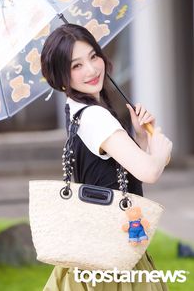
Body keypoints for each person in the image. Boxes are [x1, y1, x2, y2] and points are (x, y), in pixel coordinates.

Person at [40, 23, 172, 290]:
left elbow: (123, 171)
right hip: (110, 252)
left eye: (92, 56)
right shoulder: (95, 116)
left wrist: (141, 139)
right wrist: (160, 152)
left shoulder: (76, 110)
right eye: (76, 66)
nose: (91, 70)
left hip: (97, 244)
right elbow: (149, 172)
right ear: (61, 77)